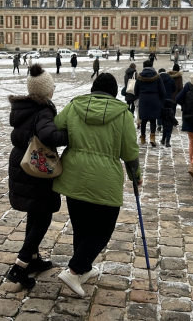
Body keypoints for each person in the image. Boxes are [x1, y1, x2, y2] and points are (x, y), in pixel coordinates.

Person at [53, 73, 141, 297]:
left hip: (73, 174)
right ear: (113, 93)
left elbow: (56, 128)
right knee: (103, 229)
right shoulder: (123, 114)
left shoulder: (75, 106)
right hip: (105, 179)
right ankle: (74, 271)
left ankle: (85, 268)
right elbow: (129, 151)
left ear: (93, 89)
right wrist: (135, 175)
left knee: (81, 226)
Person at [7, 64, 68, 289]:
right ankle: (20, 266)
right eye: (52, 87)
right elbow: (47, 134)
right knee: (43, 216)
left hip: (21, 161)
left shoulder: (24, 107)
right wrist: (68, 134)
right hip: (36, 167)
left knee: (35, 212)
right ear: (46, 91)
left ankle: (32, 259)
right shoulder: (43, 110)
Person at [134, 61, 165, 146]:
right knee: (153, 119)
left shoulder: (139, 77)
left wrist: (141, 95)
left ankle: (143, 138)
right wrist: (159, 99)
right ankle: (152, 138)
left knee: (143, 119)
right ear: (152, 66)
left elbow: (135, 91)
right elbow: (162, 91)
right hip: (154, 99)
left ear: (143, 67)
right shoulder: (157, 77)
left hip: (143, 99)